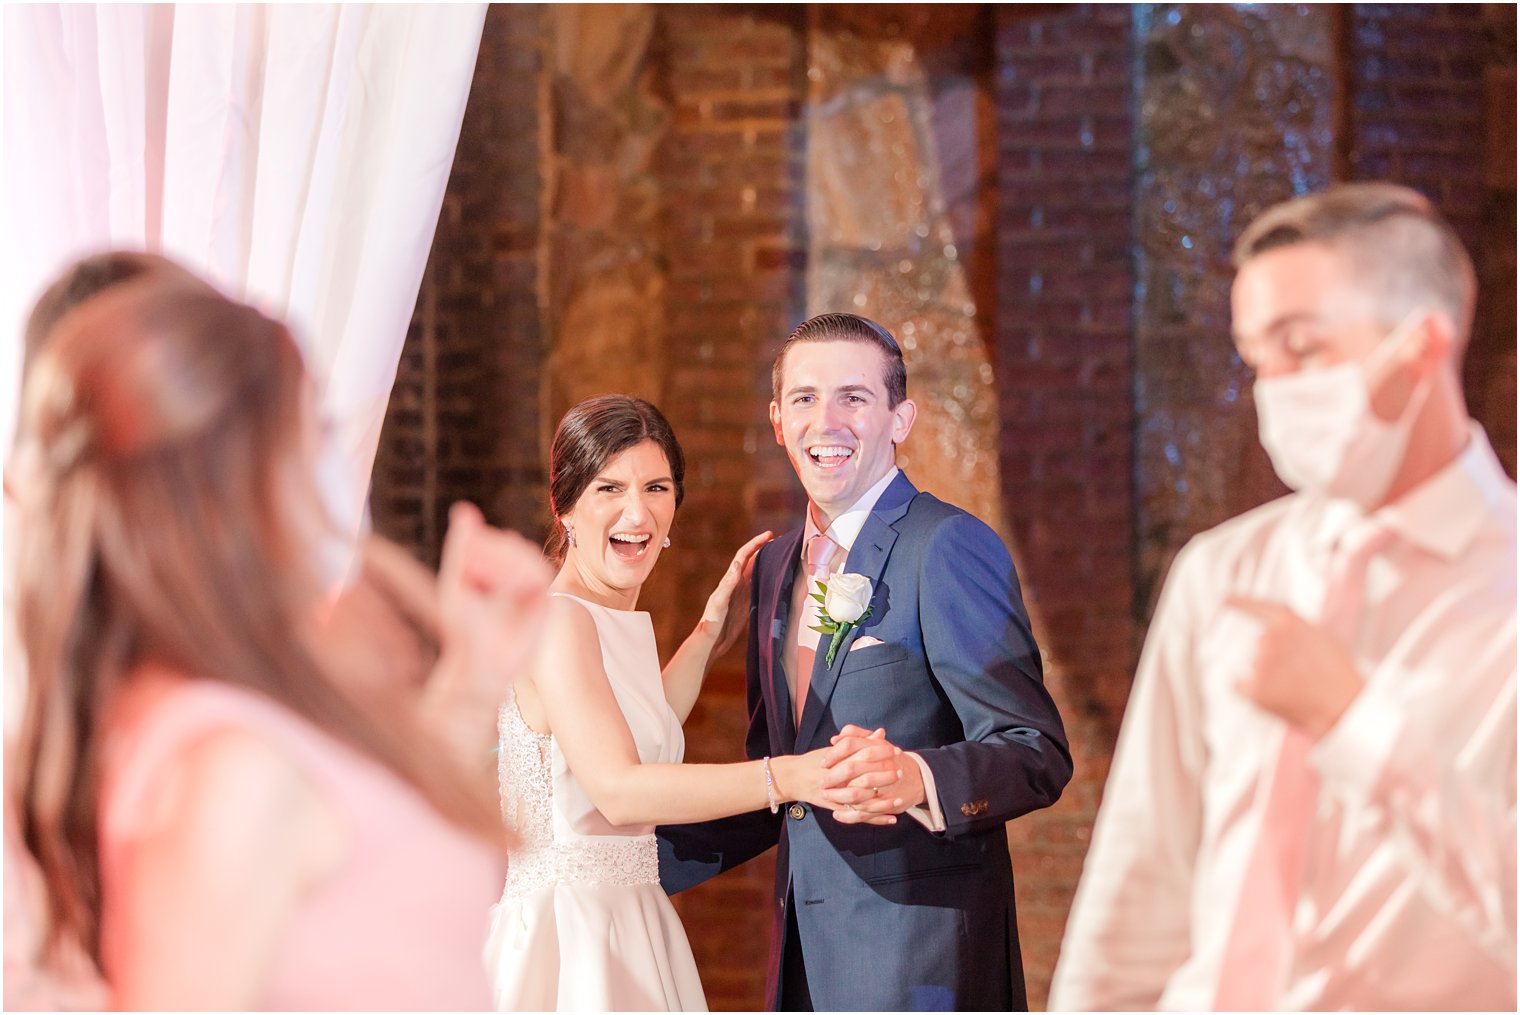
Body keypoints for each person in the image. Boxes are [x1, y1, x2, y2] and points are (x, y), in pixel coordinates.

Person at [12, 268, 553, 1009]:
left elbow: (371, 872)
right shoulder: (229, 763)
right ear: (237, 482)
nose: (336, 467)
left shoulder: (250, 695)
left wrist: (476, 678)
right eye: (317, 431)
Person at [1049, 183, 1516, 1011]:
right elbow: (1141, 871)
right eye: (1257, 357)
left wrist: (1354, 721)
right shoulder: (1223, 572)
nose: (1273, 389)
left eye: (1302, 347)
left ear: (1421, 347)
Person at [659, 313, 1073, 1011]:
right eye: (804, 398)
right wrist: (627, 861)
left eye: (854, 397)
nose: (828, 421)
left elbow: (1036, 751)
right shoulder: (771, 568)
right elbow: (780, 783)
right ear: (777, 420)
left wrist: (917, 776)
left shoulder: (946, 547)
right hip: (804, 964)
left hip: (923, 962)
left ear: (899, 418)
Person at [487, 393, 902, 1012]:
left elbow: (641, 723)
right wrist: (791, 776)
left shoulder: (603, 620)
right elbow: (620, 789)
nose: (638, 512)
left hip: (630, 921)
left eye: (657, 487)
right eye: (609, 489)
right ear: (565, 506)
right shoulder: (558, 623)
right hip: (571, 942)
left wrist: (711, 632)